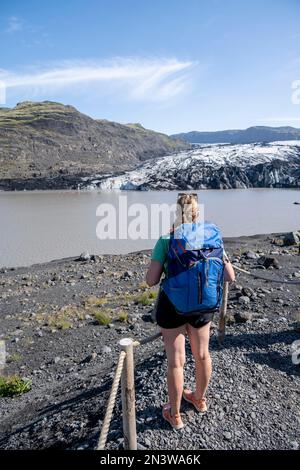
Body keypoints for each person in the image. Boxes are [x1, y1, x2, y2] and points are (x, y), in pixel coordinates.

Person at [145, 193, 235, 430]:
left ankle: (174, 415)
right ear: (198, 212)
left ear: (177, 212)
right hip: (202, 305)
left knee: (176, 363)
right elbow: (230, 276)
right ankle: (199, 399)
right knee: (202, 355)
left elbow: (151, 280)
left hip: (173, 306)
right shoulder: (212, 237)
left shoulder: (168, 239)